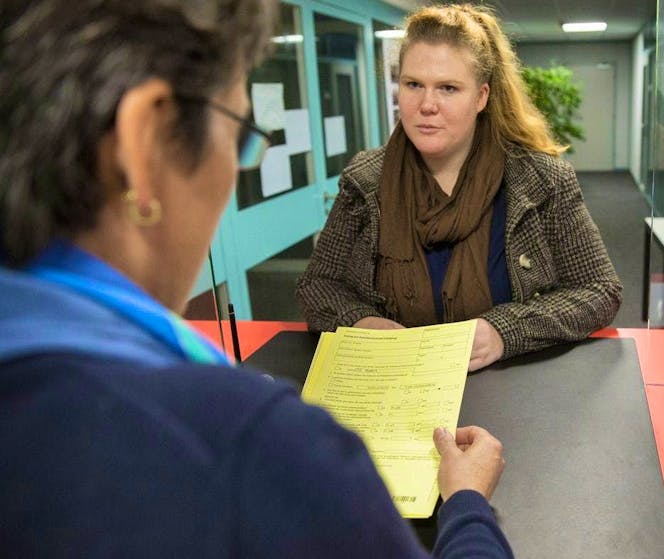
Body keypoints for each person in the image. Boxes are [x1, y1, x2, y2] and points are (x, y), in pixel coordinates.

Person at [0, 2, 512, 557]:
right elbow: (320, 287)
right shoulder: (253, 448)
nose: (427, 104)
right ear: (142, 143)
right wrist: (466, 503)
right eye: (238, 136)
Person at [295, 4, 622, 372]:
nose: (426, 105)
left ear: (481, 97)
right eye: (413, 84)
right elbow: (318, 286)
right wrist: (360, 322)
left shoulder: (541, 180)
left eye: (448, 88)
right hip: (397, 388)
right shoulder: (365, 180)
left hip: (511, 392)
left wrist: (504, 331)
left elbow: (599, 290)